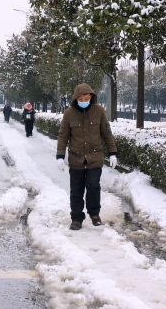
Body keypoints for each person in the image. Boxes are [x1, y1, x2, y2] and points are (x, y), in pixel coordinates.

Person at [56, 83, 117, 231]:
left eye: (86, 98)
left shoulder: (99, 111)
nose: (84, 101)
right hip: (76, 158)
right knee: (76, 190)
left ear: (91, 97)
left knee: (93, 186)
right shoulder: (69, 113)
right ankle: (76, 218)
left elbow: (106, 133)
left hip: (95, 157)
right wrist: (60, 156)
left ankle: (94, 214)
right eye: (81, 99)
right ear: (75, 99)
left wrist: (113, 153)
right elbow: (63, 136)